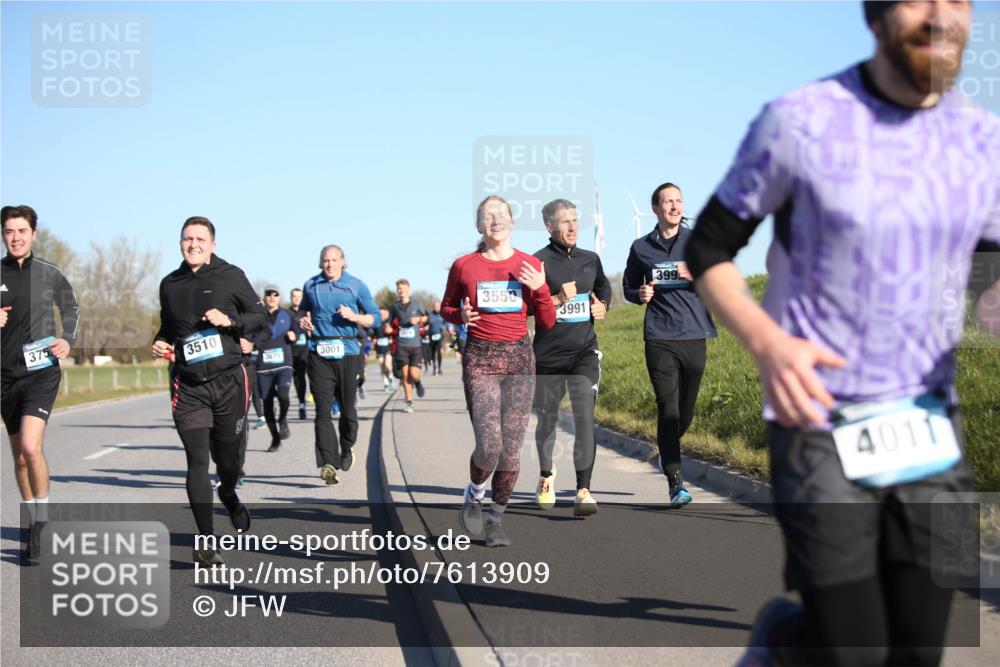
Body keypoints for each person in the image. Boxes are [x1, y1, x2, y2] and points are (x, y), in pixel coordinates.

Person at [686, 2, 995, 664]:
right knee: (853, 651)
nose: (942, 15)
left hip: (931, 422)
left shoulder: (983, 142)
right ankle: (782, 637)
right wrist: (769, 344)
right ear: (876, 15)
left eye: (959, 0)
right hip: (819, 416)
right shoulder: (800, 121)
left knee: (917, 652)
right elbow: (709, 249)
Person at [152, 216, 267, 565]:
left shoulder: (230, 275)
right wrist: (159, 342)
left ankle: (229, 493)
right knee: (197, 460)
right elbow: (168, 327)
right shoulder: (170, 284)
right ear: (180, 243)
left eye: (200, 239)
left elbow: (259, 316)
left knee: (228, 461)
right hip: (188, 385)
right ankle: (206, 539)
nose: (193, 244)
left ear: (213, 244)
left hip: (229, 380)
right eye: (188, 239)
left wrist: (230, 322)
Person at [442, 195, 556, 547]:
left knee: (511, 450)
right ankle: (475, 494)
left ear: (512, 221)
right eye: (487, 216)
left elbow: (548, 322)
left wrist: (540, 288)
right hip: (480, 358)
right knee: (489, 445)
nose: (495, 220)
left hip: (520, 359)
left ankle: (495, 521)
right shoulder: (464, 265)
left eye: (501, 214)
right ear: (479, 225)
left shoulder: (529, 264)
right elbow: (446, 307)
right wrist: (458, 317)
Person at [622, 183, 717, 507]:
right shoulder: (641, 247)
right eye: (668, 202)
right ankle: (676, 480)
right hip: (659, 336)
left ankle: (666, 447)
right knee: (669, 407)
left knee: (685, 412)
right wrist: (640, 295)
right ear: (655, 208)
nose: (674, 207)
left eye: (678, 201)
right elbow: (628, 287)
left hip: (694, 333)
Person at [1, 205, 79, 561]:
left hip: (42, 371)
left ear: (34, 234)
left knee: (31, 448)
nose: (15, 238)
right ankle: (33, 519)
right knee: (19, 458)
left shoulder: (49, 272)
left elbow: (71, 307)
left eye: (21, 231)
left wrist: (68, 340)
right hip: (5, 376)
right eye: (9, 232)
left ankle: (42, 523)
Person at [532, 199, 612, 517]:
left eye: (575, 220)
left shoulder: (591, 260)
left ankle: (583, 490)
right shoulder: (537, 263)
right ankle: (546, 475)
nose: (573, 226)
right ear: (550, 227)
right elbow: (527, 308)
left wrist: (603, 305)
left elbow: (604, 288)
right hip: (548, 356)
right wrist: (555, 299)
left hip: (584, 352)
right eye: (565, 222)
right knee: (548, 420)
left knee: (583, 417)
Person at [298, 244, 380, 485]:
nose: (330, 264)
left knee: (347, 410)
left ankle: (346, 447)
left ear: (343, 261)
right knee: (322, 411)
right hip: (319, 352)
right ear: (320, 263)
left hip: (348, 352)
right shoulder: (310, 285)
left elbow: (375, 317)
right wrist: (303, 320)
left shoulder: (356, 285)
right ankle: (329, 463)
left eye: (334, 260)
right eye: (326, 261)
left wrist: (355, 317)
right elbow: (303, 311)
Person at [257, 287, 298, 453]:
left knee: (283, 395)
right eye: (268, 294)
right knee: (266, 404)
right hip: (264, 366)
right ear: (264, 298)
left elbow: (297, 330)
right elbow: (248, 333)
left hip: (284, 364)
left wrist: (294, 335)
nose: (272, 297)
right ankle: (275, 438)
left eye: (275, 294)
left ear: (280, 298)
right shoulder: (257, 316)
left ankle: (282, 418)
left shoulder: (287, 315)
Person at [388, 279, 428, 413]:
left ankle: (417, 383)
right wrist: (387, 328)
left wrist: (418, 319)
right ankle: (409, 402)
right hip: (402, 345)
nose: (401, 291)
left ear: (408, 289)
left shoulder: (417, 303)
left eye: (404, 288)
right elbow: (389, 322)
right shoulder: (395, 306)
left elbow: (426, 318)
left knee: (414, 374)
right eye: (399, 289)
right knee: (405, 375)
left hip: (415, 345)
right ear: (397, 290)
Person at [289, 287, 311, 420]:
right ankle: (301, 403)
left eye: (299, 296)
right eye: (294, 296)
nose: (296, 299)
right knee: (296, 378)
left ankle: (304, 403)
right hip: (291, 350)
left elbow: (313, 331)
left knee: (307, 376)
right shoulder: (286, 313)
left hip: (305, 349)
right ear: (291, 298)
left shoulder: (306, 313)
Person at [375, 308, 395, 391]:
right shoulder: (376, 323)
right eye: (380, 313)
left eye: (383, 313)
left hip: (387, 347)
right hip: (379, 348)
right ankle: (386, 383)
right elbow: (371, 332)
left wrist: (391, 337)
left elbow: (394, 331)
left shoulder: (389, 322)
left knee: (388, 365)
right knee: (382, 366)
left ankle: (390, 376)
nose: (382, 315)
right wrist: (372, 338)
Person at [427, 301, 446, 375]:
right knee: (432, 352)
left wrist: (443, 327)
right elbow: (426, 324)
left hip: (439, 335)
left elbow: (446, 323)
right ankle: (434, 368)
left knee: (439, 352)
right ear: (433, 307)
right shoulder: (430, 315)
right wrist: (428, 325)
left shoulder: (442, 315)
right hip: (432, 335)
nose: (436, 308)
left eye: (437, 306)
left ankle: (439, 367)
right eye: (435, 307)